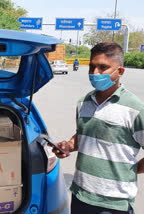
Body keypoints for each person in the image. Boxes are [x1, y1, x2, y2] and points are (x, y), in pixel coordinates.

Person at [51, 42, 144, 214]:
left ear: (120, 72)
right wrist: (69, 146)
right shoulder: (83, 102)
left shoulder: (135, 109)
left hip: (114, 204)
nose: (95, 73)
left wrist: (131, 170)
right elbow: (82, 135)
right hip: (80, 195)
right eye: (92, 67)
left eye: (103, 67)